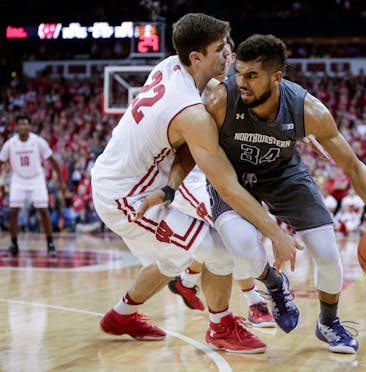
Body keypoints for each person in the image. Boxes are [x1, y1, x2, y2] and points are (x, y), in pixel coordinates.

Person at [91, 14, 299, 353]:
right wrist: (277, 234)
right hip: (125, 197)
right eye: (220, 48)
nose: (229, 53)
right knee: (219, 251)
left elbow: (214, 90)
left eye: (228, 45)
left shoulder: (169, 65)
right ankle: (221, 327)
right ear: (196, 57)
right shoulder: (191, 113)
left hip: (124, 178)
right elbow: (228, 186)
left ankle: (122, 315)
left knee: (173, 260)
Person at [203, 34, 366, 353]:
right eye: (239, 73)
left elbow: (354, 167)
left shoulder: (308, 110)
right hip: (233, 179)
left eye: (252, 76)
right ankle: (276, 285)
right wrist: (276, 234)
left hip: (284, 174)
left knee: (329, 257)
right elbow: (218, 174)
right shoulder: (221, 100)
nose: (242, 82)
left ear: (277, 77)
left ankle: (328, 323)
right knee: (242, 250)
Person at [0, 114, 65, 256]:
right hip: (18, 178)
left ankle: (50, 243)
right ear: (16, 127)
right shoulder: (10, 144)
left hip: (36, 178)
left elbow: (54, 162)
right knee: (13, 211)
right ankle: (14, 244)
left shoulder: (38, 142)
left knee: (43, 210)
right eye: (20, 124)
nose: (23, 126)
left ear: (29, 127)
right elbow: (1, 162)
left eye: (25, 124)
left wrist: (61, 182)